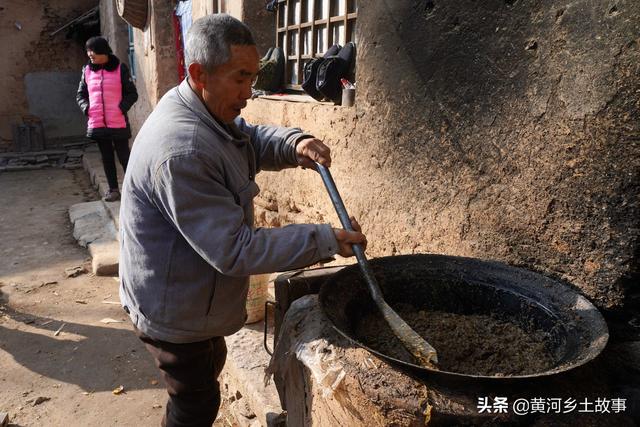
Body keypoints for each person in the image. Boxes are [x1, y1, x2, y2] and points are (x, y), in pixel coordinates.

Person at [118, 14, 367, 427]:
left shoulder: (199, 107)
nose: (249, 92)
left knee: (205, 371)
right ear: (200, 73)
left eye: (252, 78)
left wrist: (294, 144)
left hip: (191, 298)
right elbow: (235, 250)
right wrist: (325, 240)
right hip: (173, 310)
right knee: (193, 404)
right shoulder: (182, 150)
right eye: (241, 78)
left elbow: (245, 136)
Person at [76, 36, 138, 202]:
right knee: (107, 157)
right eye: (88, 52)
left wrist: (121, 108)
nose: (90, 55)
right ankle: (113, 190)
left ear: (103, 51)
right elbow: (80, 94)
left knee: (124, 156)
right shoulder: (87, 71)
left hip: (118, 122)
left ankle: (135, 190)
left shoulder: (120, 69)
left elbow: (132, 93)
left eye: (93, 51)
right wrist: (87, 108)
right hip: (97, 123)